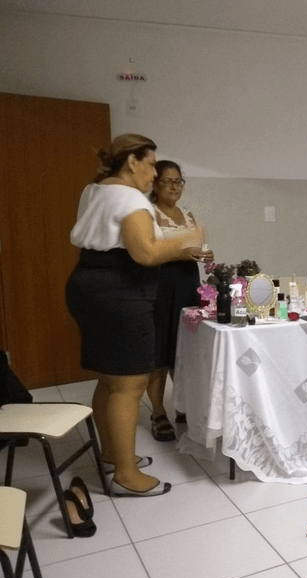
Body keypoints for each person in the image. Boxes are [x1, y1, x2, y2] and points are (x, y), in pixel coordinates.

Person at [66, 134, 205, 497]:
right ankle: (126, 475)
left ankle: (112, 455)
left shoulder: (94, 190)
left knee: (109, 381)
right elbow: (145, 253)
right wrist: (188, 239)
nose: (154, 174)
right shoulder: (129, 197)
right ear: (132, 162)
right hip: (120, 293)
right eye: (151, 164)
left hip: (89, 284)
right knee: (129, 385)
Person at [146, 161, 214, 441]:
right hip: (160, 286)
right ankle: (158, 412)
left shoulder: (187, 214)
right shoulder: (147, 214)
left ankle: (183, 405)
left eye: (178, 181)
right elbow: (148, 252)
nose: (174, 187)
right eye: (167, 181)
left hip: (187, 285)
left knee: (183, 350)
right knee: (160, 353)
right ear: (155, 184)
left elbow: (196, 248)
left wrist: (205, 255)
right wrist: (181, 254)